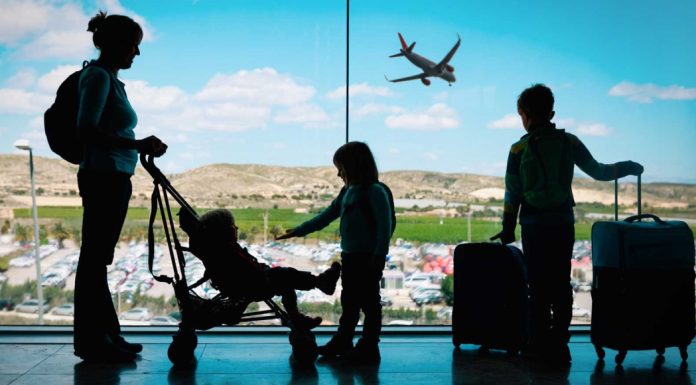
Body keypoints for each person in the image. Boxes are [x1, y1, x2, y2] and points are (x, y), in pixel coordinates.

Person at [491, 84, 643, 366]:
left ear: (523, 115)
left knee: (536, 285)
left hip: (533, 225)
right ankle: (560, 343)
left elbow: (512, 193)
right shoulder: (569, 142)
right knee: (560, 283)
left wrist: (508, 226)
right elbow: (599, 171)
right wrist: (628, 166)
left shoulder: (518, 148)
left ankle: (536, 343)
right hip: (562, 223)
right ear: (552, 112)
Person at [74, 11, 168, 363]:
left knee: (98, 260)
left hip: (111, 176)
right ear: (115, 44)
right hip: (104, 177)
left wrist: (135, 146)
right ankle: (94, 341)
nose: (137, 54)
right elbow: (87, 129)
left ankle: (106, 336)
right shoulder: (98, 77)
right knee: (94, 261)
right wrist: (137, 144)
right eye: (133, 46)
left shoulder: (108, 79)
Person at [276, 141, 393, 364]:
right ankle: (345, 341)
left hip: (367, 259)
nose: (339, 173)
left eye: (341, 167)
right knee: (350, 303)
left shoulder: (375, 192)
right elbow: (327, 216)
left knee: (369, 304)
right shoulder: (348, 192)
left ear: (353, 165)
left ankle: (367, 347)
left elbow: (384, 230)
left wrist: (378, 259)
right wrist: (298, 231)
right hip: (350, 257)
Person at [189, 208, 342, 330]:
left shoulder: (218, 251)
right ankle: (319, 283)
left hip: (250, 284)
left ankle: (297, 318)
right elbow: (248, 270)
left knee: (287, 285)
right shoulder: (228, 252)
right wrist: (264, 271)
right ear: (225, 231)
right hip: (253, 285)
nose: (236, 228)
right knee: (286, 274)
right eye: (233, 226)